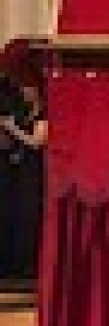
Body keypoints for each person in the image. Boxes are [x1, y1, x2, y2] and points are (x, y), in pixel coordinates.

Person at [0, 73, 47, 286]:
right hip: (22, 170)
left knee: (29, 214)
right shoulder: (27, 113)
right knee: (17, 214)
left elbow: (36, 142)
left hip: (35, 171)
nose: (23, 92)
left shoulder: (44, 114)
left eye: (27, 88)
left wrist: (12, 129)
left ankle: (29, 267)